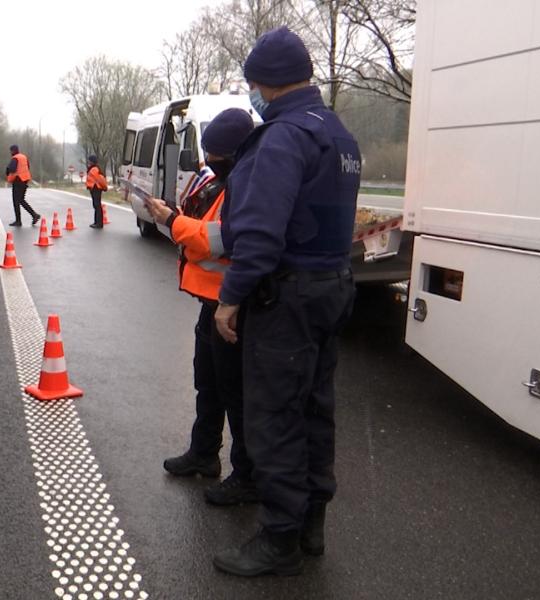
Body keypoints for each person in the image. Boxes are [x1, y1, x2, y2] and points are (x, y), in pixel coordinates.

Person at [211, 26, 360, 578]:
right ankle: (312, 522)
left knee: (274, 413)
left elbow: (261, 235)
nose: (253, 94)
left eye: (253, 84)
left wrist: (230, 299)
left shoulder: (282, 137)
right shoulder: (338, 134)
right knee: (316, 407)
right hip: (331, 287)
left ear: (267, 83)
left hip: (289, 295)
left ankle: (279, 538)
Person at [144, 109, 258, 506]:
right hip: (211, 303)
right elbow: (202, 234)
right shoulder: (220, 183)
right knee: (207, 382)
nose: (208, 159)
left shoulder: (244, 184)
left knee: (235, 392)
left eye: (214, 152)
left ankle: (247, 474)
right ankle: (204, 453)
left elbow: (217, 240)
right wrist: (177, 222)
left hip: (231, 303)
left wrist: (173, 221)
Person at [5, 144, 40, 226]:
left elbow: (12, 169)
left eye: (11, 151)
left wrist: (7, 169)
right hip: (24, 180)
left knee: (16, 201)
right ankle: (34, 215)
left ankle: (18, 221)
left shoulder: (15, 158)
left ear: (13, 151)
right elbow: (27, 167)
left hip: (18, 181)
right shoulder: (24, 157)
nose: (10, 152)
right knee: (21, 200)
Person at [85, 155, 108, 228]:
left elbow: (99, 179)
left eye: (89, 161)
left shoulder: (94, 169)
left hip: (96, 188)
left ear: (92, 161)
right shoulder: (93, 169)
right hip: (94, 188)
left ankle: (99, 223)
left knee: (97, 205)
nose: (88, 162)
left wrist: (104, 187)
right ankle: (96, 222)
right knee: (96, 205)